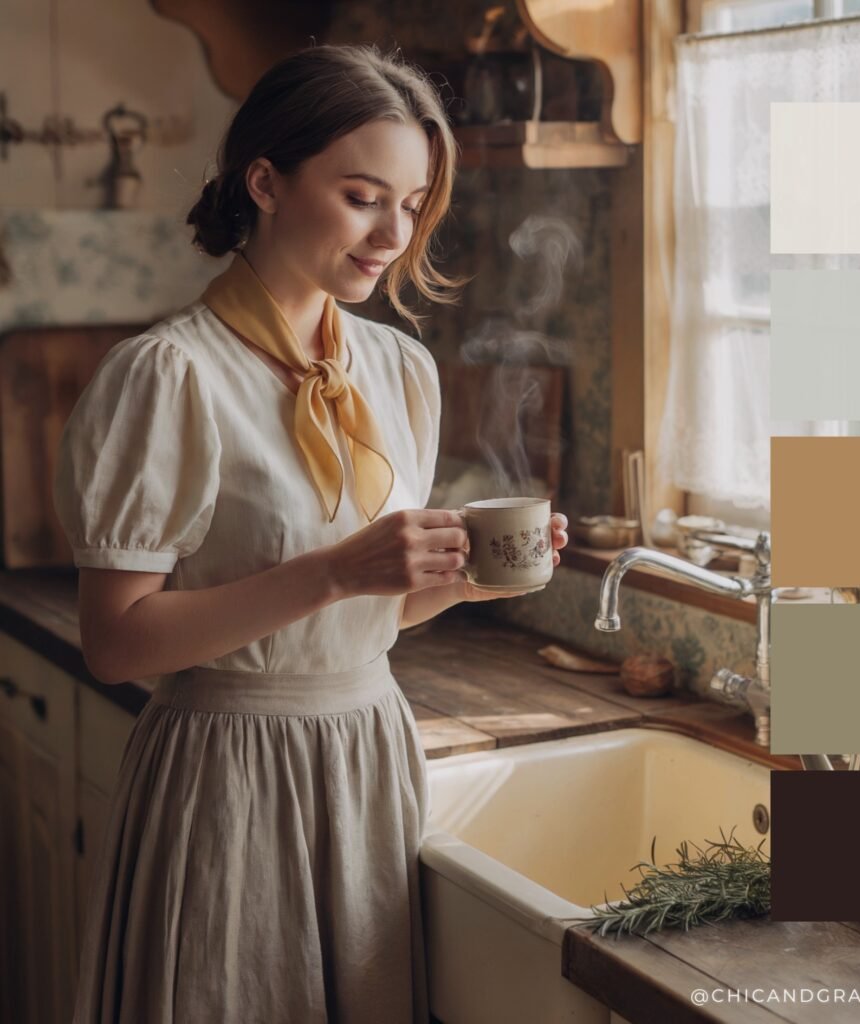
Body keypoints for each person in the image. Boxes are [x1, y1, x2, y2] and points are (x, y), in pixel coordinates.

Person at [55, 44, 569, 1023]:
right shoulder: (168, 377)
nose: (393, 232)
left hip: (369, 754)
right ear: (265, 182)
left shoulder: (399, 370)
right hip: (227, 773)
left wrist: (469, 576)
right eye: (364, 196)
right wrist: (333, 572)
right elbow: (116, 641)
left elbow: (373, 611)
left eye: (412, 203)